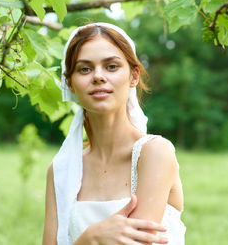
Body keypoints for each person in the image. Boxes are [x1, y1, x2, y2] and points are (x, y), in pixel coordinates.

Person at [42, 22, 186, 245]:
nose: (98, 76)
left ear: (134, 76)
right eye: (84, 69)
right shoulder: (60, 171)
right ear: (69, 83)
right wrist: (89, 239)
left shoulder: (155, 153)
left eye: (111, 66)